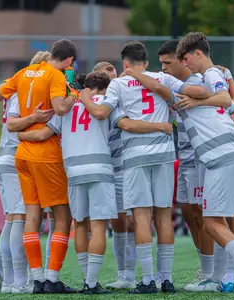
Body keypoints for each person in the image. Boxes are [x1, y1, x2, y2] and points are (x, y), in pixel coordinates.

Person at [78, 41, 206, 294]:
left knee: (141, 217)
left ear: (124, 63)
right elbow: (190, 92)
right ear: (146, 63)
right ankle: (165, 279)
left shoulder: (118, 83)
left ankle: (147, 280)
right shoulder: (162, 78)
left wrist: (83, 97)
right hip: (165, 154)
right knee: (163, 215)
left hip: (135, 155)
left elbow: (108, 116)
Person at [149, 39, 234, 292]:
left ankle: (215, 273)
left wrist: (208, 94)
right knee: (190, 213)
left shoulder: (203, 80)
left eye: (168, 62)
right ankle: (208, 268)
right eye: (161, 63)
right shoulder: (177, 83)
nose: (164, 68)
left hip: (205, 156)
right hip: (186, 155)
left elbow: (231, 103)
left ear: (183, 60)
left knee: (208, 215)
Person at [16, 72, 121, 294]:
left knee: (80, 224)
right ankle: (91, 283)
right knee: (99, 226)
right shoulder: (106, 101)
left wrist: (21, 137)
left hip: (73, 171)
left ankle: (86, 279)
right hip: (99, 168)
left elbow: (44, 134)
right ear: (104, 88)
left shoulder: (67, 106)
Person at [174, 31, 234, 293]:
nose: (183, 63)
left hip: (219, 158)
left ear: (198, 53)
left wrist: (196, 99)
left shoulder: (209, 75)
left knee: (211, 222)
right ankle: (228, 279)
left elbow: (224, 99)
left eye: (185, 58)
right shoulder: (213, 79)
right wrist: (225, 81)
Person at [0, 38, 79, 294]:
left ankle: (35, 278)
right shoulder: (55, 76)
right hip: (45, 155)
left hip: (22, 155)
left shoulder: (22, 73)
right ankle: (50, 278)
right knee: (62, 216)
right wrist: (72, 93)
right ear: (70, 61)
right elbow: (60, 108)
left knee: (29, 216)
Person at [0, 51, 52, 294]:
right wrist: (34, 118)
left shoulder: (15, 85)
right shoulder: (22, 90)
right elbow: (13, 123)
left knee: (13, 218)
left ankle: (2, 275)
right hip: (13, 158)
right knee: (19, 219)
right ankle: (15, 281)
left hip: (7, 157)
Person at [92, 61, 137, 290]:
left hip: (124, 166)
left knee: (130, 220)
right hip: (101, 167)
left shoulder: (125, 96)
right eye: (106, 79)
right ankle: (123, 275)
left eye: (113, 78)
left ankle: (132, 274)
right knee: (115, 222)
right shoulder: (92, 103)